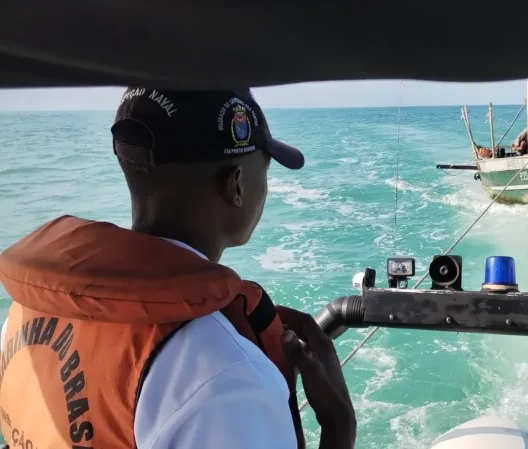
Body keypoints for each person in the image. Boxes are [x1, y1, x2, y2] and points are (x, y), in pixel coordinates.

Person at [0, 88, 356, 449]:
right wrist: (338, 424)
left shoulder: (28, 309)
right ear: (235, 185)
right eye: (264, 171)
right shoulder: (226, 377)